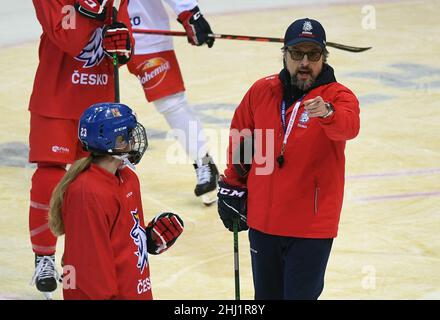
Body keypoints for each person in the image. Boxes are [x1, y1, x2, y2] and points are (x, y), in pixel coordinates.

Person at [217, 18, 360, 300]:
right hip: (263, 223)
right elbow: (242, 140)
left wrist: (328, 113)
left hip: (310, 230)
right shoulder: (262, 91)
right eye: (297, 54)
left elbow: (349, 126)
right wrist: (233, 184)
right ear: (284, 54)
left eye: (313, 54)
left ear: (323, 57)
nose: (304, 62)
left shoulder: (337, 96)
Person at [29, 0, 134, 298]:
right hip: (56, 97)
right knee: (49, 176)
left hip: (99, 102)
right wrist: (88, 9)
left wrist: (123, 45)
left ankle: (83, 262)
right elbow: (68, 39)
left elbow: (125, 40)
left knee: (100, 183)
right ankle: (44, 256)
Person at [48, 102, 184, 300]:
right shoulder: (87, 192)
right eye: (128, 134)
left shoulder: (128, 178)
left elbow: (119, 240)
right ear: (117, 141)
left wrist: (146, 241)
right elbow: (89, 268)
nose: (134, 139)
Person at [126, 0, 219, 205]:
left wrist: (189, 11)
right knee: (87, 102)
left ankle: (203, 162)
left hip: (141, 31)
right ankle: (90, 173)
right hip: (90, 32)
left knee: (170, 100)